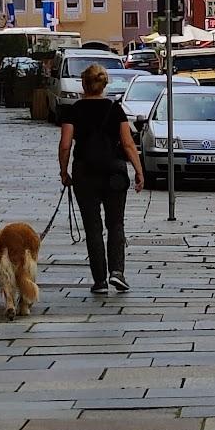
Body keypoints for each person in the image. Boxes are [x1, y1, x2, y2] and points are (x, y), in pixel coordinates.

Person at [58, 64, 144, 295]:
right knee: (116, 223)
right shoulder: (115, 109)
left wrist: (64, 171)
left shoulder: (73, 110)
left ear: (83, 84)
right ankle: (117, 271)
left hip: (85, 172)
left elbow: (66, 144)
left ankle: (99, 281)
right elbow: (127, 144)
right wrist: (139, 171)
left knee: (93, 227)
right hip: (114, 172)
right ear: (104, 84)